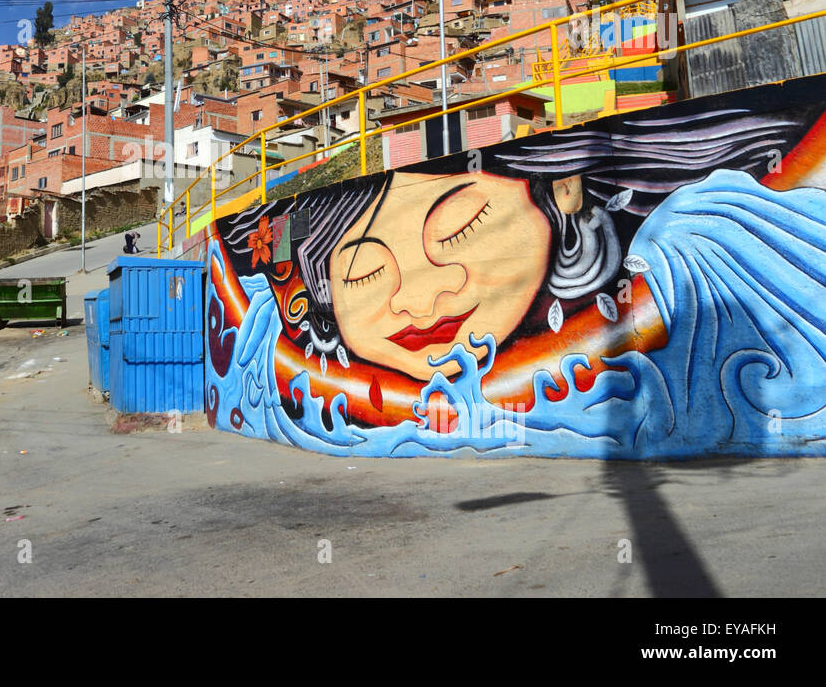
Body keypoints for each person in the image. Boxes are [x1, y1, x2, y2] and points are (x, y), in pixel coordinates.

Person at [210, 82, 826, 456]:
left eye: (460, 229)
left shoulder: (699, 240)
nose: (419, 300)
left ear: (559, 189)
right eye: (365, 274)